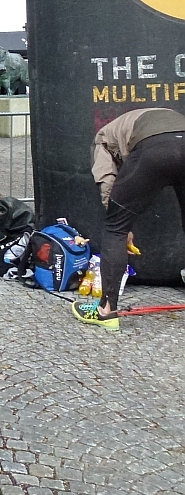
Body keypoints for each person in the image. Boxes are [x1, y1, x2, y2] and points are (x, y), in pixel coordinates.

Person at [74, 107, 185, 330]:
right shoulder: (160, 115)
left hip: (154, 150)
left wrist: (121, 221)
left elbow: (106, 178)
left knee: (115, 229)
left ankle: (106, 311)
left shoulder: (103, 138)